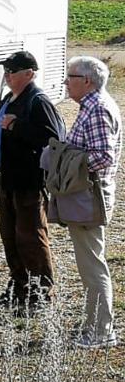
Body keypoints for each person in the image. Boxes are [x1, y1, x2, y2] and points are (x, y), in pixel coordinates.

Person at [0, 50, 63, 310]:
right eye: (6, 70)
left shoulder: (38, 101)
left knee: (31, 237)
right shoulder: (10, 98)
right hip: (7, 181)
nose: (7, 75)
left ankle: (41, 294)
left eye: (12, 70)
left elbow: (54, 138)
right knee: (10, 236)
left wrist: (17, 126)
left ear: (29, 74)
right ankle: (20, 288)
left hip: (29, 183)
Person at [62, 56, 122, 349]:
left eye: (70, 76)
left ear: (86, 80)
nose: (65, 82)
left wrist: (68, 161)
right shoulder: (93, 106)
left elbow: (103, 157)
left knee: (92, 265)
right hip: (87, 195)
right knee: (90, 263)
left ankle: (101, 332)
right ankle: (96, 324)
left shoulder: (97, 109)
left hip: (90, 196)